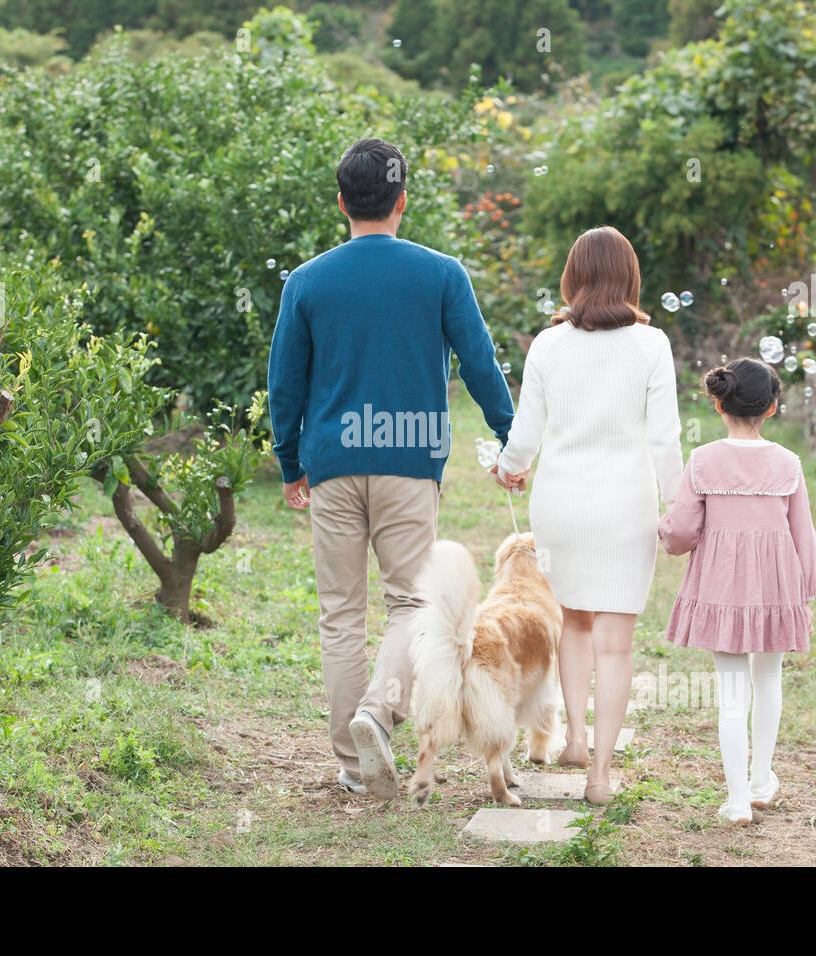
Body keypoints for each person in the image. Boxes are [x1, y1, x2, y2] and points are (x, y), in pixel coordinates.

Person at [267, 137, 514, 800]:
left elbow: (284, 382)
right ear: (403, 200)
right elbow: (480, 362)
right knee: (414, 603)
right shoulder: (441, 274)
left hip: (331, 462)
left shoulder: (308, 281)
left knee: (340, 612)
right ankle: (380, 710)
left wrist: (290, 461)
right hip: (410, 459)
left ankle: (353, 764)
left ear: (341, 202)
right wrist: (510, 435)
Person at [494, 225, 683, 805]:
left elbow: (526, 434)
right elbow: (665, 439)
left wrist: (510, 465)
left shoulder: (548, 345)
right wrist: (679, 504)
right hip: (625, 503)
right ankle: (599, 775)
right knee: (617, 643)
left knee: (574, 621)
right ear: (630, 277)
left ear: (572, 277)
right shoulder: (652, 346)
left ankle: (573, 737)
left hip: (561, 503)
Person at [657, 358, 816, 825]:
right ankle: (761, 779)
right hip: (776, 590)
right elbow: (803, 535)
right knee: (768, 681)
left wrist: (662, 528)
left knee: (731, 692)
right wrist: (805, 593)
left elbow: (683, 532)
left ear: (718, 402)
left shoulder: (703, 459)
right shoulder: (787, 463)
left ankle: (736, 801)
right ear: (771, 408)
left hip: (721, 588)